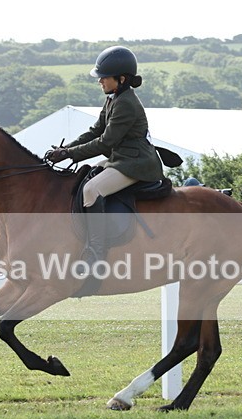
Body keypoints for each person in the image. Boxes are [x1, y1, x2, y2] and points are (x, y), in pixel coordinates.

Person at [46, 45, 164, 268]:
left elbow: (105, 142)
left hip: (136, 163)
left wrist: (69, 154)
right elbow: (95, 131)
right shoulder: (113, 98)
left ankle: (96, 253)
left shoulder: (127, 103)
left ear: (120, 78)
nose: (99, 81)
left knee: (92, 190)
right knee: (86, 178)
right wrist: (66, 148)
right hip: (121, 159)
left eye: (103, 77)